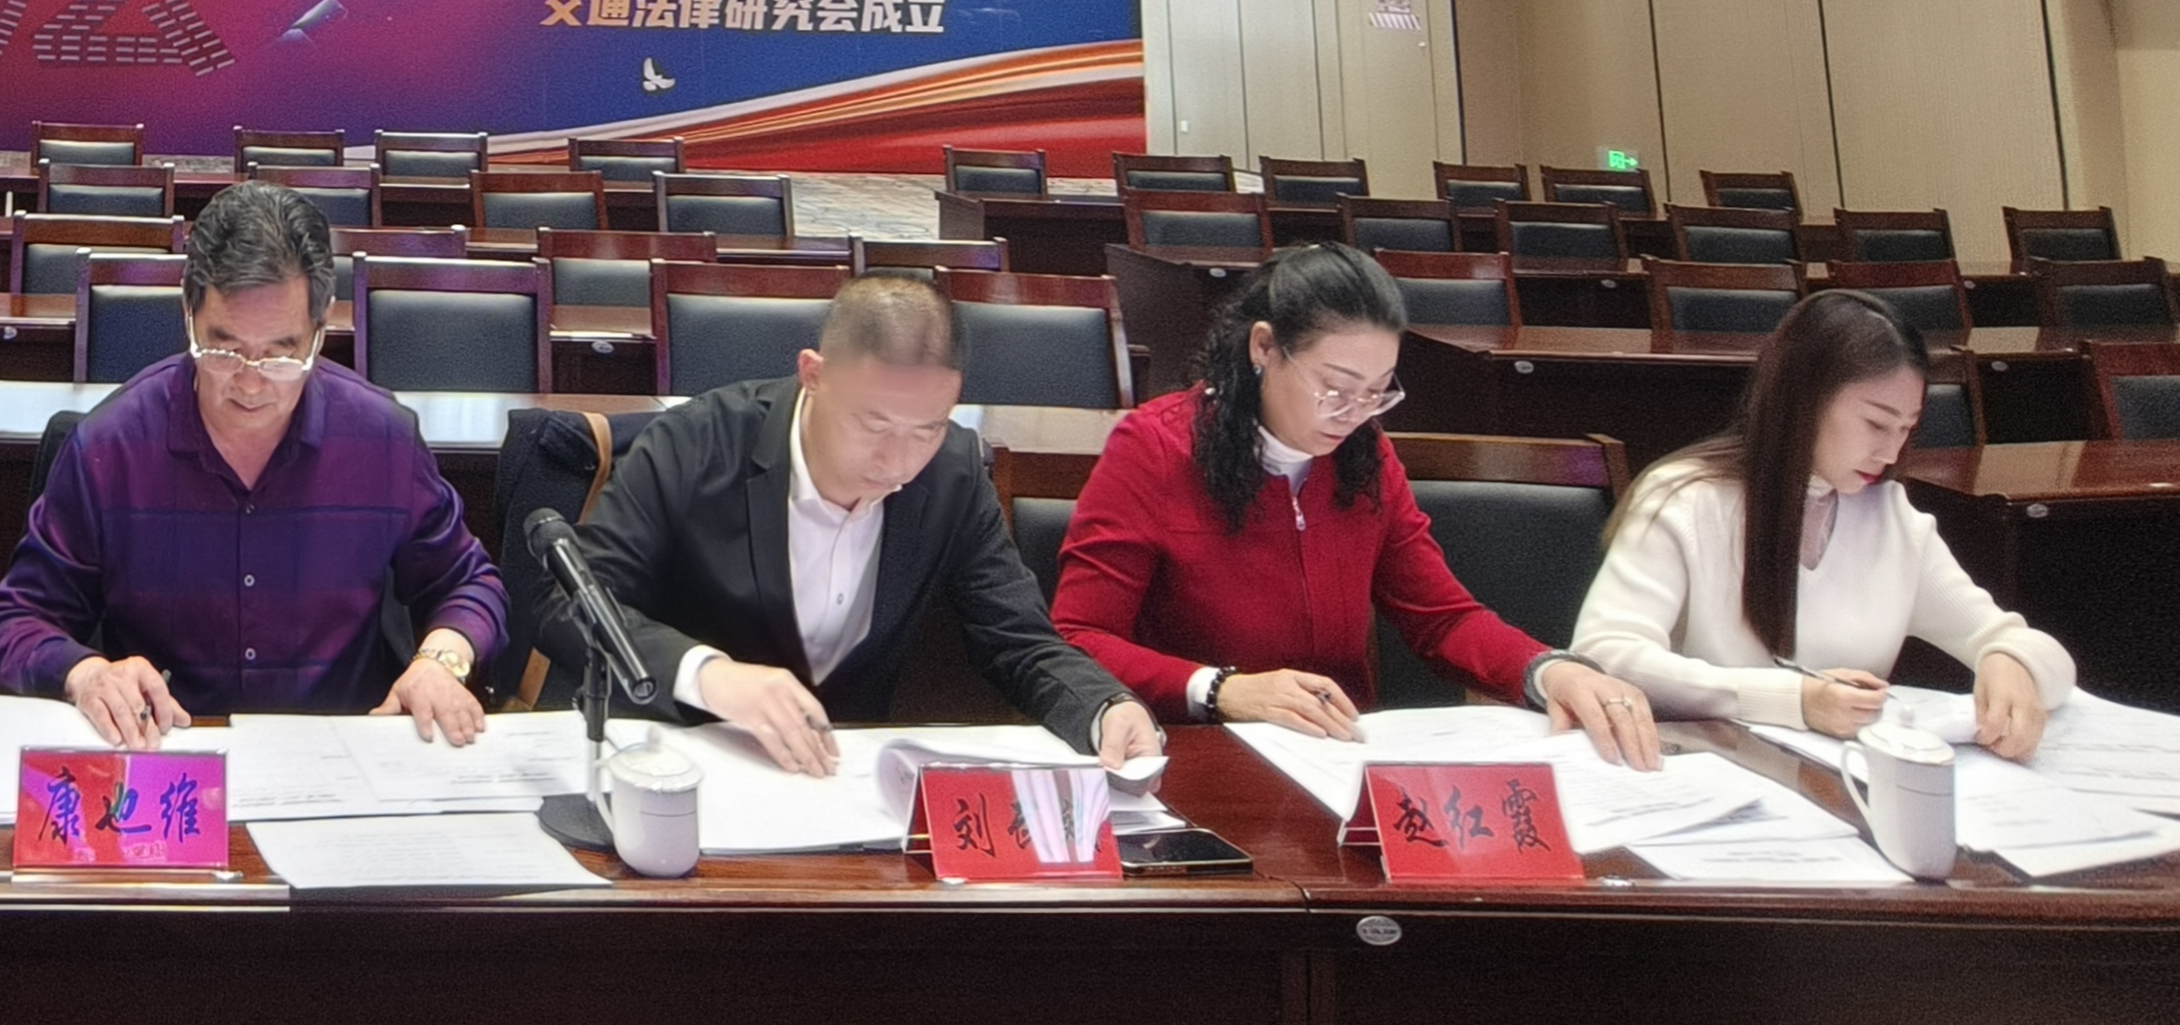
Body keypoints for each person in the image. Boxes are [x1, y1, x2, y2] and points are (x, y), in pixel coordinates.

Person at [1050, 243, 1661, 766]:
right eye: (1335, 387)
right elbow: (1078, 637)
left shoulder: (1364, 457)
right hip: (1201, 750)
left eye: (1377, 392)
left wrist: (1548, 670)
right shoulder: (1155, 448)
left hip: (1340, 754)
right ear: (1264, 347)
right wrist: (1220, 690)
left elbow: (1441, 617)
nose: (1353, 415)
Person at [535, 274, 1160, 775]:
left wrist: (1102, 705)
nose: (898, 461)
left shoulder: (953, 473)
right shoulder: (698, 442)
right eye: (873, 424)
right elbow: (571, 605)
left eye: (926, 428)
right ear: (814, 374)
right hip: (677, 762)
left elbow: (1018, 639)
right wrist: (708, 674)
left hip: (844, 779)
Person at [0, 180, 505, 745]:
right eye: (224, 350)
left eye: (282, 353)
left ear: (321, 329)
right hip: (172, 751)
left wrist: (441, 660)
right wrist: (86, 675)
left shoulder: (382, 440)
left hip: (339, 753)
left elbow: (469, 583)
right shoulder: (112, 447)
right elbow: (14, 624)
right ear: (188, 314)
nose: (251, 384)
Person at [1576, 290, 2069, 759]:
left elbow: (2031, 649)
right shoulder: (1684, 500)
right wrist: (1794, 699)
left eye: (1907, 428)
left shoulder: (1890, 517)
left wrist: (2012, 660)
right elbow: (1605, 654)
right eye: (1876, 423)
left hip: (1845, 783)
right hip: (1708, 775)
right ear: (1804, 401)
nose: (1891, 452)